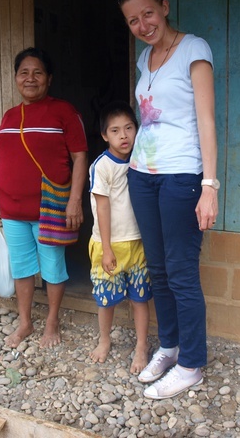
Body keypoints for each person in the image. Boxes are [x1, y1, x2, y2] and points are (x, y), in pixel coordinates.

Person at [117, 0, 219, 399]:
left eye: (148, 13)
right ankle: (171, 346)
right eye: (133, 20)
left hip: (182, 176)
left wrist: (209, 184)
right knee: (158, 270)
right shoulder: (145, 60)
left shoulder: (194, 49)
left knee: (180, 272)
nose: (143, 24)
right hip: (143, 175)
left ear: (165, 6)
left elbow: (206, 120)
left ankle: (192, 364)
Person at [0, 47, 88, 349]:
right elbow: (4, 160)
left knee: (52, 267)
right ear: (16, 78)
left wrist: (75, 199)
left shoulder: (63, 111)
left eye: (37, 72)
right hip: (11, 207)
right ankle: (25, 322)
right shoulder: (9, 116)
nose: (30, 78)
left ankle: (51, 321)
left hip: (50, 206)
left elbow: (80, 156)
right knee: (21, 267)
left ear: (49, 78)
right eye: (24, 72)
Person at [88, 100, 152, 373]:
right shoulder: (102, 166)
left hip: (137, 242)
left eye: (129, 128)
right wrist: (106, 247)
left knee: (140, 298)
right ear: (104, 135)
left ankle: (141, 346)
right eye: (115, 130)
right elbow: (102, 206)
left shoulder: (141, 158)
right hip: (109, 244)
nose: (123, 136)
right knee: (106, 299)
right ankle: (104, 339)